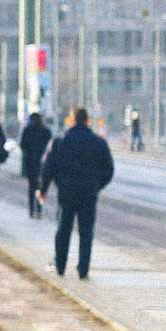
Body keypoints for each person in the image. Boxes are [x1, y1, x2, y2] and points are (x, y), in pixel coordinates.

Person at [40, 104, 115, 278]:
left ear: (72, 121)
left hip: (67, 192)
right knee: (86, 231)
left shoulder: (61, 142)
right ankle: (83, 269)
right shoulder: (98, 142)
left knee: (63, 229)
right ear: (87, 121)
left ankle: (60, 265)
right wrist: (97, 185)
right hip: (89, 193)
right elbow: (109, 169)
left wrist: (43, 189)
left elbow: (49, 168)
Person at [18, 109, 51, 218]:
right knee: (41, 188)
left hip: (30, 163)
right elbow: (50, 147)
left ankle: (32, 210)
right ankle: (39, 210)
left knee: (32, 188)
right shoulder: (46, 131)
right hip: (43, 164)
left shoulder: (27, 130)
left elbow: (22, 145)